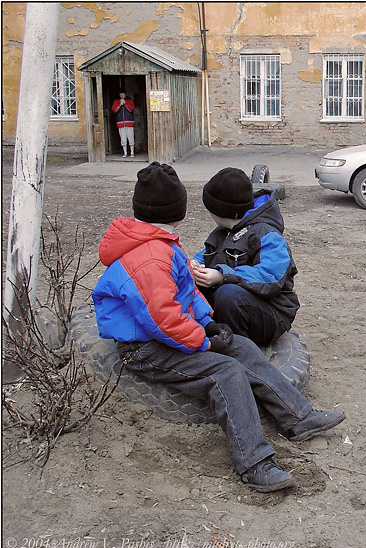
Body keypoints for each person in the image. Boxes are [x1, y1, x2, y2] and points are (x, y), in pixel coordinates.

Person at [92, 162, 345, 492]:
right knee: (225, 372)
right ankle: (253, 462)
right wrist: (204, 342)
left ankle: (297, 416)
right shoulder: (150, 257)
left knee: (240, 346)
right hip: (144, 348)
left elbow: (187, 292)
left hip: (168, 334)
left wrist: (210, 324)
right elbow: (163, 320)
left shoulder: (162, 243)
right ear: (179, 211)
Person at [191, 168, 298, 347]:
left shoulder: (267, 234)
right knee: (190, 286)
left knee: (228, 294)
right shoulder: (221, 233)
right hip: (236, 307)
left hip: (272, 312)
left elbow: (271, 277)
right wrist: (194, 266)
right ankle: (210, 336)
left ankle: (240, 350)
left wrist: (222, 275)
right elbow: (205, 255)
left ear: (219, 210)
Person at [112, 91, 135, 158]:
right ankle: (125, 152)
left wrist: (125, 104)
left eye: (123, 94)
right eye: (120, 95)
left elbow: (131, 109)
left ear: (125, 95)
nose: (122, 96)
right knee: (123, 138)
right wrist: (119, 105)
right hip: (120, 123)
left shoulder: (130, 101)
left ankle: (132, 152)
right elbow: (114, 110)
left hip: (129, 122)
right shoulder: (116, 102)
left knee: (130, 137)